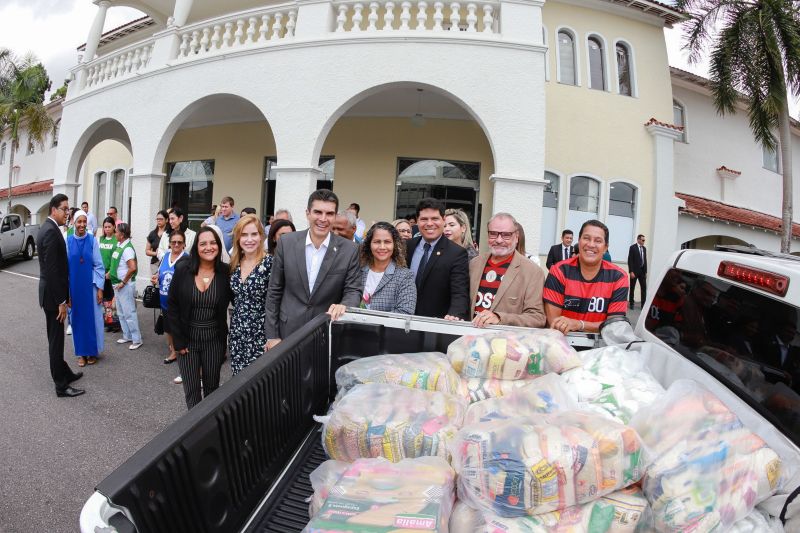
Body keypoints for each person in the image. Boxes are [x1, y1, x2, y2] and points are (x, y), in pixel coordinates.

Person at [265, 189, 361, 349]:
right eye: (318, 212)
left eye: (329, 213)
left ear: (335, 216)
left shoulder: (349, 250)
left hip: (325, 332)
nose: (323, 219)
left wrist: (344, 304)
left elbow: (353, 290)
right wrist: (272, 335)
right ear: (308, 213)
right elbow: (274, 291)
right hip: (287, 332)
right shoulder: (286, 243)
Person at [167, 227, 233, 409]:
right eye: (203, 243)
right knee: (192, 391)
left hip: (214, 341)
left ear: (219, 246)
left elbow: (241, 300)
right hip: (187, 342)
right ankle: (194, 434)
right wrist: (178, 341)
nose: (208, 247)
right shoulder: (183, 269)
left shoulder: (226, 272)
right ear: (196, 247)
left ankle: (210, 431)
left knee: (212, 390)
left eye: (213, 243)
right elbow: (171, 306)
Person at [543, 220, 629, 334]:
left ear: (605, 248)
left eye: (598, 241)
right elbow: (554, 322)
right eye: (586, 238)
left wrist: (578, 324)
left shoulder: (619, 277)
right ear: (579, 242)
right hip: (562, 343)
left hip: (601, 347)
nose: (591, 244)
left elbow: (614, 326)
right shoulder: (559, 271)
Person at [37, 194, 84, 398]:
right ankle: (61, 386)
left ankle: (64, 372)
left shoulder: (51, 228)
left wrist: (65, 296)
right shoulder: (49, 231)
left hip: (53, 294)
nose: (67, 213)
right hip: (52, 297)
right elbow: (52, 271)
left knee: (55, 339)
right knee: (56, 341)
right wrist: (61, 302)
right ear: (53, 210)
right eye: (64, 209)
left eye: (68, 209)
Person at [470, 213, 546, 328]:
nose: (499, 240)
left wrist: (500, 318)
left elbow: (537, 318)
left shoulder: (533, 272)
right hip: (471, 339)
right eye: (493, 234)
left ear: (516, 237)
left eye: (506, 235)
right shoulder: (474, 264)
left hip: (507, 342)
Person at [406, 198, 470, 320]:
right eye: (424, 219)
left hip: (436, 326)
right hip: (403, 321)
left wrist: (454, 315)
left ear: (443, 220)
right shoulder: (407, 246)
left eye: (435, 219)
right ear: (417, 222)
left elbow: (459, 293)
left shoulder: (457, 253)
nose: (429, 223)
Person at [229, 215, 270, 374]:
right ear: (238, 238)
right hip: (238, 334)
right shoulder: (234, 264)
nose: (249, 239)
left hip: (261, 335)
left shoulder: (270, 264)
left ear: (261, 236)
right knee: (239, 384)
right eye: (244, 235)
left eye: (254, 234)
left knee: (260, 385)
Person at [67, 210, 106, 367]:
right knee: (77, 320)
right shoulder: (68, 241)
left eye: (84, 221)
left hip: (90, 287)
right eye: (79, 222)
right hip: (74, 288)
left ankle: (92, 352)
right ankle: (81, 354)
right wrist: (66, 292)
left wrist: (100, 288)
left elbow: (99, 265)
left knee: (93, 320)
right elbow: (64, 268)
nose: (82, 224)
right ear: (74, 223)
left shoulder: (92, 241)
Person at [359, 222, 416, 314]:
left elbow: (405, 312)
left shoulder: (405, 276)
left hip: (387, 328)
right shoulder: (358, 270)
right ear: (369, 244)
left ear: (395, 245)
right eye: (377, 242)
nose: (382, 247)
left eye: (387, 242)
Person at [152, 230, 187, 365]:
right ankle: (173, 350)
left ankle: (181, 350)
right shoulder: (165, 256)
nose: (176, 244)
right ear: (169, 243)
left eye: (179, 242)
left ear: (184, 244)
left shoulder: (187, 259)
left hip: (180, 302)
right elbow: (160, 274)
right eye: (174, 242)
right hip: (164, 300)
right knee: (168, 328)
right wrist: (156, 279)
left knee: (180, 327)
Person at [111, 222, 143, 350]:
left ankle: (137, 339)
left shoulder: (128, 249)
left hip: (125, 285)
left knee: (129, 312)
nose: (115, 233)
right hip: (118, 285)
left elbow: (132, 268)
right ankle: (127, 335)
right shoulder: (120, 245)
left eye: (116, 232)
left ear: (122, 235)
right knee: (121, 312)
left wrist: (123, 282)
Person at [97, 216, 120, 332]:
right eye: (105, 227)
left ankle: (116, 323)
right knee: (105, 299)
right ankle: (108, 321)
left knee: (113, 299)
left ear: (114, 227)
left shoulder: (116, 240)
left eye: (109, 227)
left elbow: (116, 259)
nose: (107, 229)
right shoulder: (101, 239)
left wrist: (111, 272)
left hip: (112, 273)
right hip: (101, 273)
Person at [627, 234, 648, 308]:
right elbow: (630, 260)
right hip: (634, 271)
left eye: (644, 240)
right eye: (642, 240)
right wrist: (631, 271)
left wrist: (645, 272)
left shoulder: (644, 249)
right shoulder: (632, 248)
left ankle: (643, 305)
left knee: (644, 288)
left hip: (642, 272)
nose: (643, 241)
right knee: (632, 287)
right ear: (638, 240)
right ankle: (631, 303)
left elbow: (644, 260)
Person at [146, 210, 169, 275]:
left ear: (166, 220)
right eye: (157, 219)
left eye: (161, 219)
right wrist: (157, 253)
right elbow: (147, 251)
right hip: (155, 263)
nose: (158, 221)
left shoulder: (170, 233)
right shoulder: (152, 234)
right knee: (155, 283)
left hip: (166, 262)